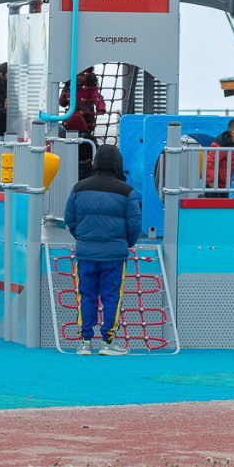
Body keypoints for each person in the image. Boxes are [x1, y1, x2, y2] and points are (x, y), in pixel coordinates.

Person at [63, 145, 142, 356]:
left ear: (96, 161)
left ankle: (85, 342)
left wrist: (82, 238)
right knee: (112, 297)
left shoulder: (79, 188)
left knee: (86, 296)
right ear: (118, 164)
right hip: (114, 255)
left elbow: (69, 218)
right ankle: (108, 341)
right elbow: (134, 224)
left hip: (86, 253)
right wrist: (127, 243)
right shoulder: (127, 191)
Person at [203, 118, 234, 197]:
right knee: (213, 203)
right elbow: (210, 162)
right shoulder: (221, 146)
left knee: (224, 203)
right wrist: (211, 181)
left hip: (224, 184)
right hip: (214, 184)